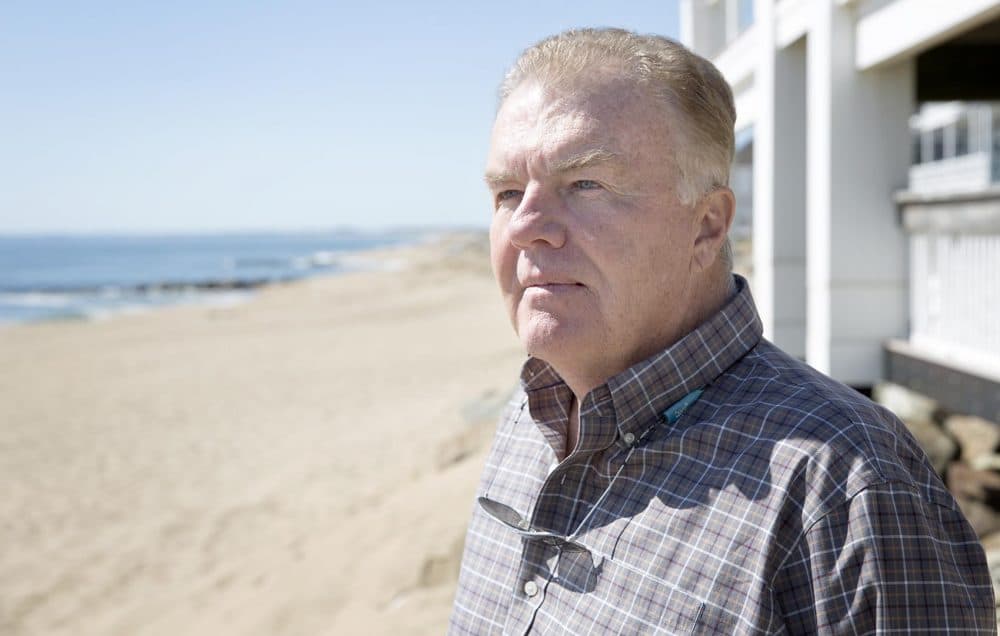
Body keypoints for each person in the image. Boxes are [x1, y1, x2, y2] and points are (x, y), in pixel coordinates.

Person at [449, 28, 995, 634]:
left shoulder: (845, 491)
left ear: (708, 226)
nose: (527, 226)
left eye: (585, 185)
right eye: (506, 192)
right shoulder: (524, 423)